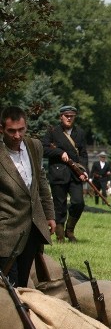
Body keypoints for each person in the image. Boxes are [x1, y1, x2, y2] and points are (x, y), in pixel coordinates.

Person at [0, 106, 56, 287]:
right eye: (11, 131)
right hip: (6, 232)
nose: (17, 136)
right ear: (1, 129)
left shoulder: (34, 146)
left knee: (23, 285)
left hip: (32, 228)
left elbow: (41, 182)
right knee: (9, 286)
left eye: (21, 130)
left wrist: (49, 215)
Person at [42, 105, 88, 243]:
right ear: (60, 116)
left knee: (78, 202)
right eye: (66, 116)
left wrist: (83, 171)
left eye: (71, 116)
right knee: (59, 206)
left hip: (75, 174)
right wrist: (60, 152)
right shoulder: (53, 132)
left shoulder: (79, 133)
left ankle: (70, 230)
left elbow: (84, 154)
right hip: (58, 173)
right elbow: (43, 149)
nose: (69, 118)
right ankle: (60, 235)